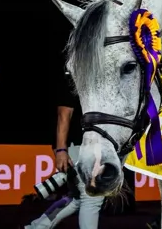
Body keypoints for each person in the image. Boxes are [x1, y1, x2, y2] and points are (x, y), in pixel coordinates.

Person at [25, 58, 105, 229]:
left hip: (82, 144)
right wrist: (61, 149)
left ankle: (36, 227)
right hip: (76, 144)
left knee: (76, 198)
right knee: (92, 197)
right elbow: (64, 114)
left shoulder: (91, 73)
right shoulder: (75, 72)